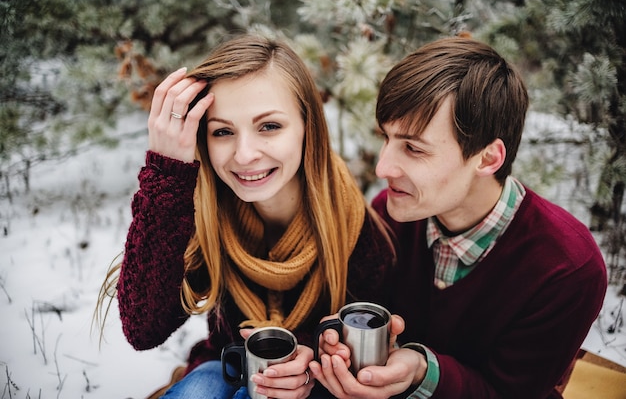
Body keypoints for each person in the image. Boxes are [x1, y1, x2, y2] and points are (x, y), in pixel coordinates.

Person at [97, 33, 395, 399]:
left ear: (307, 126)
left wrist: (306, 356)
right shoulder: (202, 211)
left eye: (269, 126)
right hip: (225, 367)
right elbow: (143, 329)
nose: (245, 154)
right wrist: (167, 172)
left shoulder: (353, 225)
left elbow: (371, 354)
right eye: (222, 131)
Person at [309, 36, 608, 398]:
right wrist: (335, 338)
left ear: (487, 159)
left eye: (414, 148)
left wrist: (422, 371)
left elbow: (510, 393)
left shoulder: (566, 268)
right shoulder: (391, 214)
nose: (383, 166)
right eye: (385, 138)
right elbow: (358, 311)